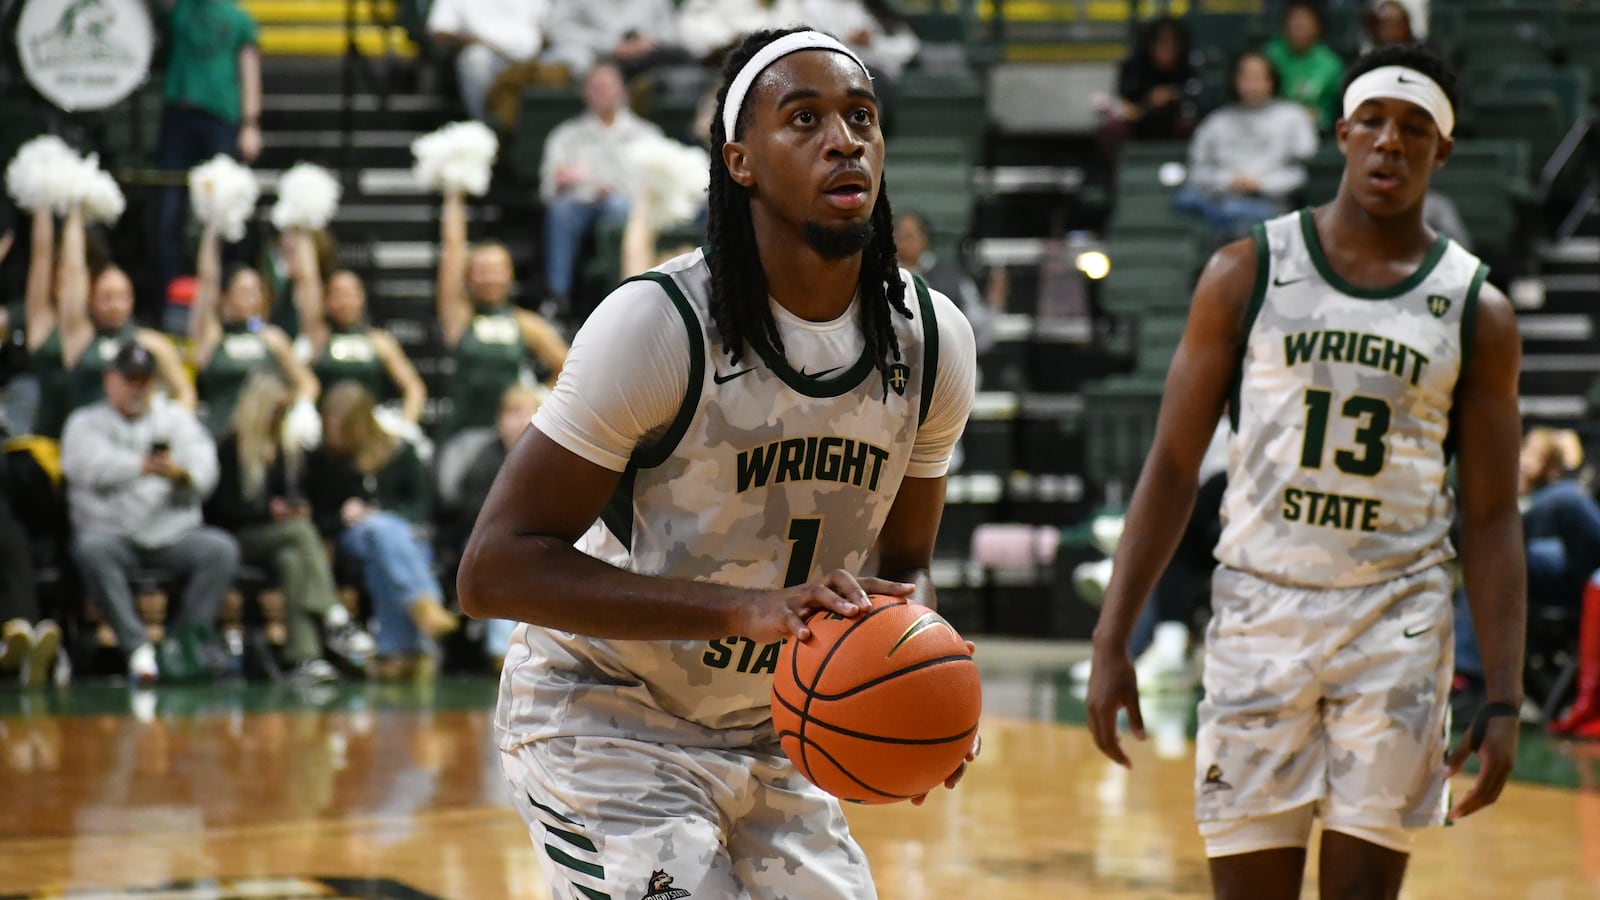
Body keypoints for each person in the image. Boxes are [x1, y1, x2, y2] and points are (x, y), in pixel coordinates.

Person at [458, 28, 979, 898]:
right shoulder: (657, 327)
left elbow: (905, 568)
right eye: (804, 119)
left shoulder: (932, 344)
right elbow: (492, 571)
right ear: (740, 161)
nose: (844, 140)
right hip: (604, 717)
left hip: (777, 728)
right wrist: (748, 609)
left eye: (860, 117)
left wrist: (917, 682)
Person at [1086, 44, 1526, 900]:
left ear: (1444, 149)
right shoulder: (1245, 271)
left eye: (1415, 128)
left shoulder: (1477, 309)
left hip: (1397, 622)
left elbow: (1493, 516)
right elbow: (1175, 466)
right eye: (1374, 123)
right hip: (1259, 610)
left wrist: (1504, 694)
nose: (1390, 144)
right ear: (1341, 134)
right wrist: (1113, 636)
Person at [63, 342, 241, 683]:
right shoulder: (85, 422)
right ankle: (138, 649)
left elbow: (205, 471)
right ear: (109, 380)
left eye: (144, 379)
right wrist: (142, 466)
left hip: (172, 535)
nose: (136, 387)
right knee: (91, 550)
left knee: (220, 549)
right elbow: (89, 468)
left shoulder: (175, 419)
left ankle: (185, 642)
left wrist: (180, 474)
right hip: (114, 536)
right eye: (129, 379)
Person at [204, 372, 375, 682]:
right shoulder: (229, 447)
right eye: (276, 409)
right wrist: (268, 512)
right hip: (237, 539)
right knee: (300, 532)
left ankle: (304, 658)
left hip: (278, 540)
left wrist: (292, 507)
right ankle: (336, 617)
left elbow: (294, 494)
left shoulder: (286, 449)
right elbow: (221, 509)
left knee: (293, 559)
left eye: (285, 410)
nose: (280, 416)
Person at [307, 383, 456, 679]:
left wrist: (385, 514)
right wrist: (343, 516)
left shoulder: (401, 451)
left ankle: (396, 652)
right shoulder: (322, 462)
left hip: (405, 536)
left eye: (342, 425)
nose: (334, 432)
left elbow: (421, 507)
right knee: (378, 532)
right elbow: (316, 518)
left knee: (382, 549)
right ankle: (423, 603)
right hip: (350, 539)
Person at [32, 205, 194, 440]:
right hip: (83, 442)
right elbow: (69, 272)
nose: (116, 305)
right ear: (90, 298)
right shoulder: (79, 338)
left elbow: (185, 391)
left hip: (135, 442)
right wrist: (71, 212)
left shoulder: (150, 342)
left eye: (123, 296)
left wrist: (170, 432)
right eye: (106, 297)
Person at [436, 190, 566, 444]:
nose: (490, 278)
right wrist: (454, 196)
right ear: (469, 276)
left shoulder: (525, 323)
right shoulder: (459, 318)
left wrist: (537, 399)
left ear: (509, 275)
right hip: (463, 434)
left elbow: (569, 367)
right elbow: (452, 252)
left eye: (497, 270)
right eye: (482, 270)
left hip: (510, 438)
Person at [154, 0, 262, 301]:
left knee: (224, 207)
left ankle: (227, 291)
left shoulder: (239, 17)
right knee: (169, 208)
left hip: (222, 116)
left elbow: (249, 67)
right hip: (180, 114)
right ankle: (169, 292)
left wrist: (251, 122)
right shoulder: (180, 9)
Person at [538, 61, 663, 318]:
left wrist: (607, 185)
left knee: (619, 206)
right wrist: (564, 181)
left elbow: (653, 186)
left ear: (622, 91)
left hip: (625, 206)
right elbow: (547, 187)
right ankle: (557, 297)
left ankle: (620, 290)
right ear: (585, 92)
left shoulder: (646, 135)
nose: (602, 92)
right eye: (595, 86)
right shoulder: (566, 135)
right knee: (561, 210)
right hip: (579, 204)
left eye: (608, 86)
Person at [1173, 50, 1318, 246]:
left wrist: (1261, 184)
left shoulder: (1292, 116)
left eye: (1259, 78)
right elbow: (1197, 172)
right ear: (1234, 81)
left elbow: (1299, 173)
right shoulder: (1217, 121)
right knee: (1187, 199)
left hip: (1271, 205)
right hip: (1221, 200)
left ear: (1271, 80)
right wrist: (1229, 181)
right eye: (1246, 78)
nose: (1252, 85)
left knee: (1241, 217)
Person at [190, 223, 320, 434]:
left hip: (262, 437)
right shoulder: (213, 337)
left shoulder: (273, 338)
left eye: (256, 291)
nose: (251, 298)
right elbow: (207, 281)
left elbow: (307, 382)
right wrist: (212, 231)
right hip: (219, 433)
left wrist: (301, 409)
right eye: (243, 291)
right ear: (225, 296)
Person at [297, 268, 428, 427]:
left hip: (369, 428)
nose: (345, 301)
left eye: (351, 294)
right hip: (324, 428)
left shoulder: (380, 341)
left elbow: (414, 388)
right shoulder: (315, 340)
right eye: (338, 294)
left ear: (362, 298)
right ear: (326, 301)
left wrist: (405, 429)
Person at [1096, 15, 1201, 162]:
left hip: (1173, 124)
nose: (1165, 49)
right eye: (1160, 43)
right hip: (1140, 125)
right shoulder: (1134, 66)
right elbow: (1124, 102)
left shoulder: (1190, 65)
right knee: (1113, 129)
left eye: (1171, 44)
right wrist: (1143, 105)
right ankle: (1118, 179)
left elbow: (1197, 99)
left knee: (1192, 126)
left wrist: (1171, 96)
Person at [426, 0, 549, 122]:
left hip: (534, 61)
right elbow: (440, 32)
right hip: (490, 60)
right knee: (476, 58)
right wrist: (478, 41)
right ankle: (488, 126)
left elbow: (550, 28)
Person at [541, 0, 689, 81]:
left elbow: (670, 32)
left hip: (645, 61)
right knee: (574, 58)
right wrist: (610, 45)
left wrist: (646, 42)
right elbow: (559, 30)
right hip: (595, 59)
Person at [1263, 1, 1346, 131]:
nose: (1299, 30)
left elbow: (1338, 108)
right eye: (1294, 24)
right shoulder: (1270, 54)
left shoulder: (1331, 63)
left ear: (1317, 27)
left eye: (1304, 25)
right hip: (1272, 126)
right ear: (1284, 27)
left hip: (1318, 130)